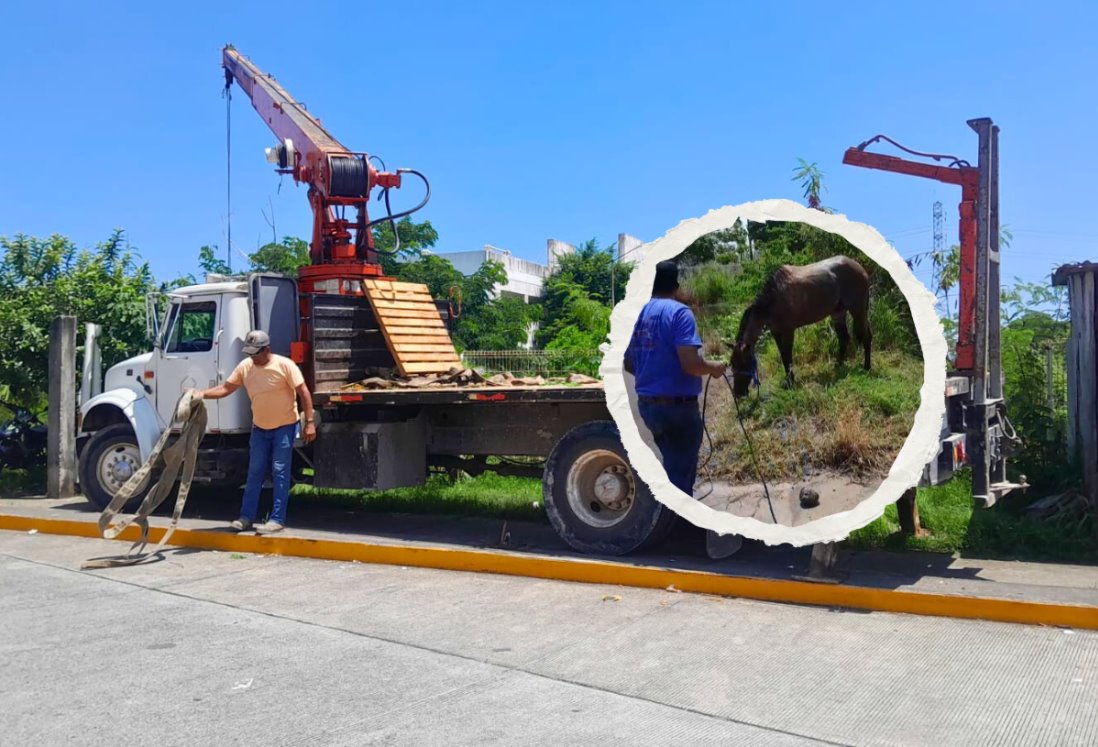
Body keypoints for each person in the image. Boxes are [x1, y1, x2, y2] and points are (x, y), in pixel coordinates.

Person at [624, 260, 743, 559]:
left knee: (673, 468)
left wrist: (653, 373)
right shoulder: (679, 313)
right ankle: (678, 538)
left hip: (649, 406)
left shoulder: (638, 314)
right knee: (680, 475)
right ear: (676, 287)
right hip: (678, 408)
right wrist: (713, 368)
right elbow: (691, 364)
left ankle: (671, 529)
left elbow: (628, 362)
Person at [199, 330, 316, 534]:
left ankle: (277, 519)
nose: (252, 357)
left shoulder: (285, 365)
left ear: (267, 349)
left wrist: (310, 422)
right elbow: (226, 388)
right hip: (260, 428)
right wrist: (200, 394)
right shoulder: (246, 367)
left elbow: (304, 393)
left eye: (256, 353)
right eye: (250, 353)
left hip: (285, 427)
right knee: (255, 473)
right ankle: (246, 518)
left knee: (280, 471)